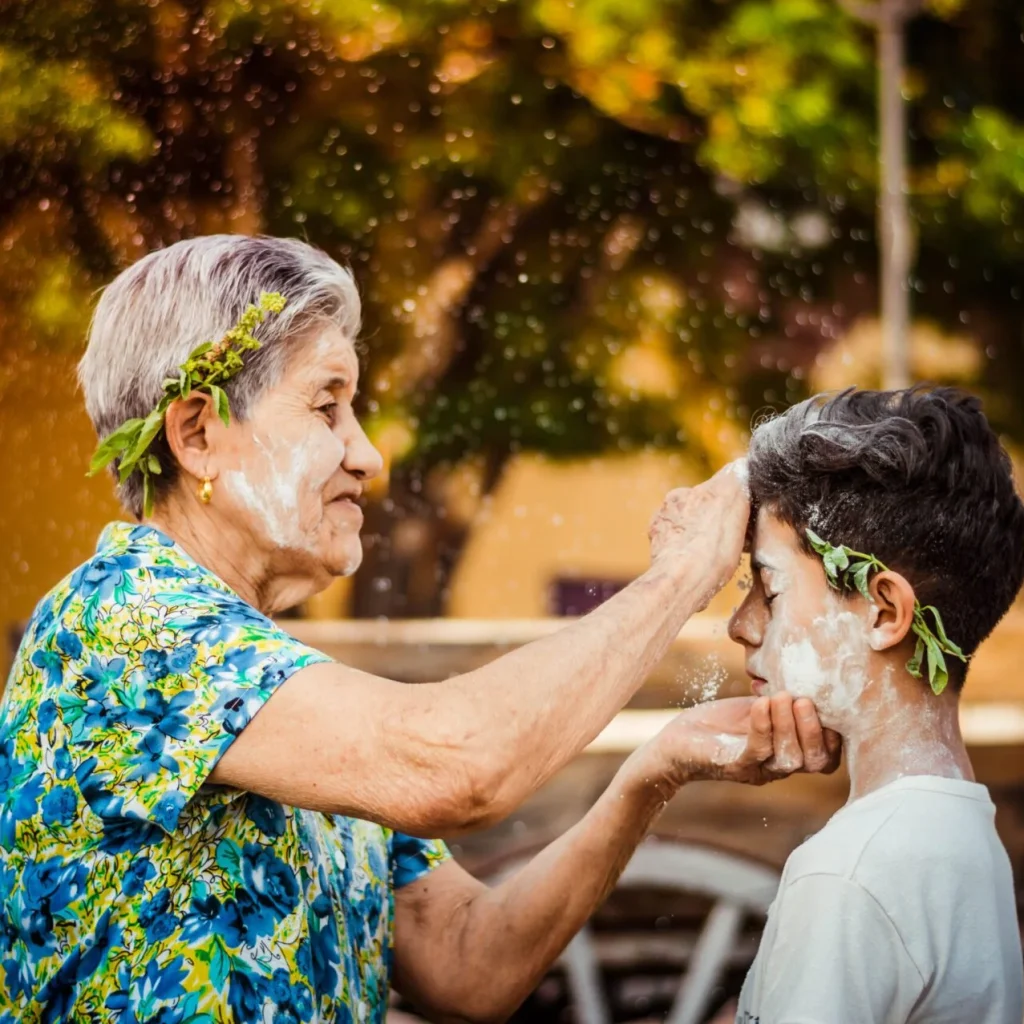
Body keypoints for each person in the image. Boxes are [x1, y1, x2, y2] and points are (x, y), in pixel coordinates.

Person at [0, 234, 838, 1024]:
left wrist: (656, 768)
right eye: (327, 408)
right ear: (197, 435)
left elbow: (466, 962)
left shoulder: (265, 677)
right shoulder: (125, 624)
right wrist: (684, 571)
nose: (368, 455)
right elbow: (459, 766)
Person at [728, 386, 1024, 1024]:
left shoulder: (846, 876)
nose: (741, 625)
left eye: (769, 592)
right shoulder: (958, 834)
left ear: (885, 612)